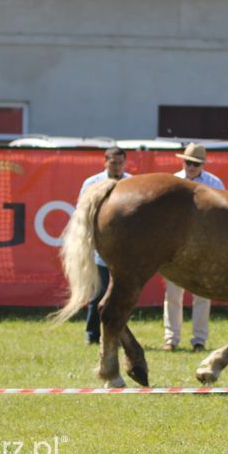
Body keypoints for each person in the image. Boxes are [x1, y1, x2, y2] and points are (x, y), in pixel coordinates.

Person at [162, 143, 225, 352]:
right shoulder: (173, 180)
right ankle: (171, 338)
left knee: (202, 296)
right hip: (176, 246)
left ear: (202, 164)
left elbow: (221, 216)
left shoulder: (214, 183)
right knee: (172, 295)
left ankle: (199, 340)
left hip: (203, 246)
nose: (191, 166)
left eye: (195, 163)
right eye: (188, 162)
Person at [78, 146, 130, 345]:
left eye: (120, 163)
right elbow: (82, 211)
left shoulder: (132, 183)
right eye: (113, 162)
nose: (117, 166)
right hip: (101, 247)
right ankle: (93, 335)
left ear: (125, 162)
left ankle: (117, 334)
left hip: (125, 249)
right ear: (105, 161)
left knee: (122, 294)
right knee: (98, 293)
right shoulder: (92, 183)